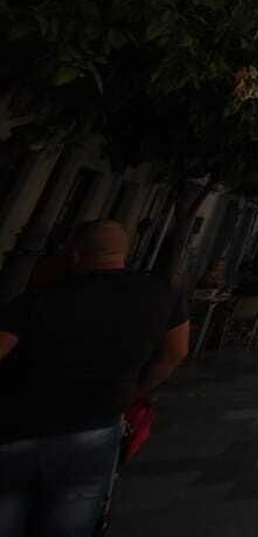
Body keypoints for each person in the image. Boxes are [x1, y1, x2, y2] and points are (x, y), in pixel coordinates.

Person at [0, 220, 189, 536]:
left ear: (75, 255)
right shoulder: (161, 293)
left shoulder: (38, 300)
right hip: (96, 431)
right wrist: (135, 390)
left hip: (16, 432)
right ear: (124, 253)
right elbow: (175, 354)